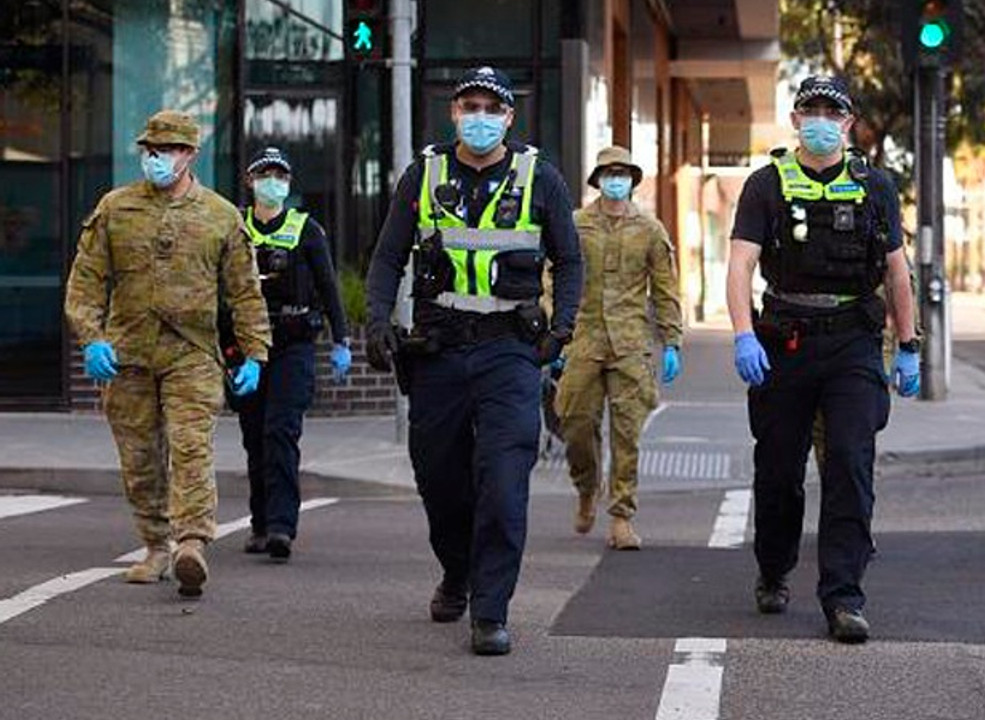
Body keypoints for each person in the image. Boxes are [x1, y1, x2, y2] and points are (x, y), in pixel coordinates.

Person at [363, 67, 583, 656]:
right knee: (439, 478)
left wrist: (562, 327)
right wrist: (377, 319)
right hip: (438, 348)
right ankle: (456, 571)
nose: (479, 115)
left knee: (504, 481)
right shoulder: (424, 174)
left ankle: (491, 609)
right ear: (454, 113)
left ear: (509, 117)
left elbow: (569, 260)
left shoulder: (542, 178)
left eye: (491, 106)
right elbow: (386, 258)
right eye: (469, 105)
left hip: (510, 350)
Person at [726, 76, 920, 644]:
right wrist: (743, 335)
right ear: (794, 118)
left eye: (831, 112)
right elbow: (740, 266)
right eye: (810, 109)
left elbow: (897, 272)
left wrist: (908, 347)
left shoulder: (874, 186)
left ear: (848, 123)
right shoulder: (765, 185)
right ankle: (774, 565)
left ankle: (843, 596)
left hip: (852, 341)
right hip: (784, 340)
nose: (820, 120)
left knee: (850, 467)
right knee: (779, 470)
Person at [64, 109, 270, 599]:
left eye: (170, 150)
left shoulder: (221, 215)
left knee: (190, 447)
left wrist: (255, 353)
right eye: (152, 151)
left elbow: (244, 292)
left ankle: (191, 542)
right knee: (139, 458)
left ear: (190, 154)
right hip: (127, 352)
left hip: (192, 353)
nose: (158, 159)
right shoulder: (116, 208)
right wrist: (91, 337)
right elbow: (86, 282)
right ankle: (155, 544)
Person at [555, 145, 683, 550]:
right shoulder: (574, 225)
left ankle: (622, 516)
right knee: (574, 423)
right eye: (609, 173)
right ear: (597, 179)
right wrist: (555, 329)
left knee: (627, 432)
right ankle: (587, 487)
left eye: (623, 172)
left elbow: (665, 289)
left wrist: (671, 341)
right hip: (583, 338)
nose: (616, 179)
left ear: (631, 179)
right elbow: (552, 275)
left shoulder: (649, 228)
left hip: (630, 342)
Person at [231, 147, 351, 562]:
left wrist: (341, 340)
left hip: (293, 344)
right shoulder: (236, 228)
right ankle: (260, 522)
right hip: (246, 347)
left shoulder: (306, 230)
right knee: (255, 436)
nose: (273, 182)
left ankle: (282, 526)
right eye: (265, 174)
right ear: (250, 181)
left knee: (281, 431)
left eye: (280, 175)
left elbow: (329, 285)